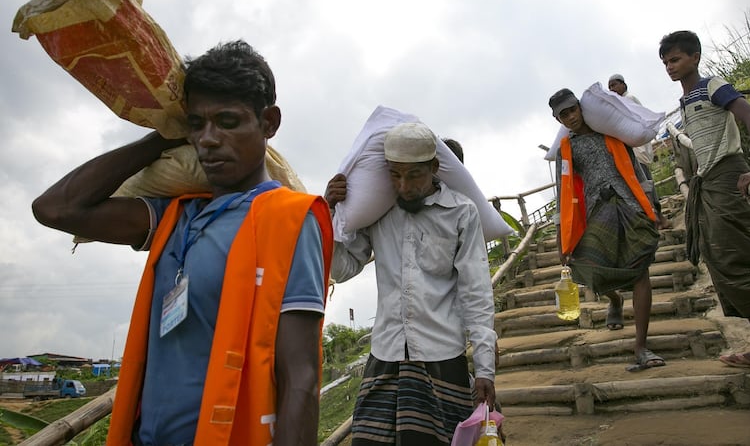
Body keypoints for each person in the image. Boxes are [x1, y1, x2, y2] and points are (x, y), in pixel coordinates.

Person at [31, 40, 333, 445]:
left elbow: (300, 377)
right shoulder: (175, 217)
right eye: (196, 124)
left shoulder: (289, 219)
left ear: (268, 123)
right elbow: (57, 209)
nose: (208, 139)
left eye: (228, 121)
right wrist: (160, 137)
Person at [325, 122, 496, 445]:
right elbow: (344, 268)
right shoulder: (378, 211)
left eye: (414, 175)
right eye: (395, 175)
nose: (404, 186)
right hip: (385, 354)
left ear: (433, 168)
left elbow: (476, 292)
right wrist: (328, 214)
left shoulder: (461, 213)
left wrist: (485, 368)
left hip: (442, 356)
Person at [659, 30, 750, 376]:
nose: (670, 67)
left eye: (676, 59)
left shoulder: (713, 86)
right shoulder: (686, 101)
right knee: (723, 262)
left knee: (738, 260)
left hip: (728, 176)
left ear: (695, 57)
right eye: (666, 62)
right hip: (709, 181)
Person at [549, 88, 664, 371]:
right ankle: (614, 299)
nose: (571, 117)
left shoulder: (611, 134)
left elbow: (638, 172)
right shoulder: (568, 148)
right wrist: (560, 236)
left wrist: (655, 206)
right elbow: (562, 192)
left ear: (580, 108)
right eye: (564, 115)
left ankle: (641, 346)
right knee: (591, 270)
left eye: (573, 110)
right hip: (595, 214)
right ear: (558, 119)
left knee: (640, 273)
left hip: (631, 207)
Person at [608, 73, 671, 229]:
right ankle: (654, 218)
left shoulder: (628, 100)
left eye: (614, 85)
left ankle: (658, 218)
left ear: (623, 85)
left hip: (637, 150)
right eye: (610, 87)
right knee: (641, 184)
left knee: (644, 183)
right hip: (635, 149)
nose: (612, 89)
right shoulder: (624, 101)